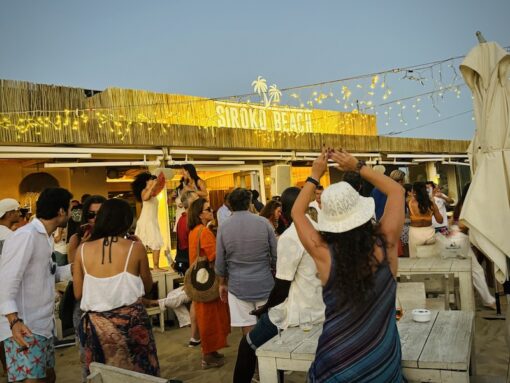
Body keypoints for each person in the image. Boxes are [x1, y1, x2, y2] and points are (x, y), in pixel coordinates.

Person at [292, 148, 405, 382]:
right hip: (381, 359)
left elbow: (297, 212)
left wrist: (315, 174)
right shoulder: (387, 242)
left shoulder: (323, 253)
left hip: (335, 363)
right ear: (363, 210)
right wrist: (357, 165)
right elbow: (396, 190)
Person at [233, 187, 325, 383]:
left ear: (283, 210)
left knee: (247, 344)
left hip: (299, 312)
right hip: (320, 306)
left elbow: (282, 286)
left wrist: (265, 309)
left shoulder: (291, 236)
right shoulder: (316, 227)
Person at [73, 198, 159, 376]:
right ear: (127, 221)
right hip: (131, 324)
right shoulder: (135, 247)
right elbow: (148, 285)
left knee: (104, 374)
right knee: (139, 373)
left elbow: (78, 293)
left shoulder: (82, 250)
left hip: (96, 327)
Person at [0, 188, 73, 383]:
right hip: (24, 327)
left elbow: (50, 273)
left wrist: (83, 265)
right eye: (69, 207)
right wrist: (14, 322)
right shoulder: (26, 236)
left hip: (42, 327)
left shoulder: (45, 237)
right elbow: (6, 282)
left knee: (48, 378)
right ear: (61, 211)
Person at [215, 188, 277, 336]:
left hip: (238, 285)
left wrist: (222, 283)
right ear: (249, 203)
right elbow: (276, 256)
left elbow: (220, 261)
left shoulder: (224, 227)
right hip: (265, 283)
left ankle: (251, 358)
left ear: (230, 204)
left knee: (248, 331)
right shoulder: (264, 223)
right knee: (268, 327)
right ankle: (264, 359)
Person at [66, 195, 106, 382]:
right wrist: (83, 244)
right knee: (88, 357)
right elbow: (73, 270)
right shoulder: (77, 237)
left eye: (100, 214)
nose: (95, 219)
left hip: (108, 302)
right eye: (91, 214)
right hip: (84, 304)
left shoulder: (114, 238)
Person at [187, 198, 230, 369]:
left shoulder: (194, 231)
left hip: (199, 283)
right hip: (209, 282)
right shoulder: (204, 232)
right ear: (200, 214)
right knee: (210, 319)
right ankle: (208, 355)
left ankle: (211, 352)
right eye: (208, 209)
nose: (212, 211)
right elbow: (215, 257)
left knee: (206, 318)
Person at [453, 183, 496, 309]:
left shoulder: (461, 204)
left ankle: (483, 299)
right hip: (460, 240)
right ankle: (488, 300)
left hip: (456, 239)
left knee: (471, 270)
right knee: (476, 270)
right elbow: (461, 224)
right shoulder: (467, 205)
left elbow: (453, 222)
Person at [0, 198, 21, 377]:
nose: (19, 214)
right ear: (9, 214)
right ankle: (12, 371)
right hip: (6, 293)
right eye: (17, 211)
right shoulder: (10, 237)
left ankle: (6, 371)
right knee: (8, 334)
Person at [132, 172, 165, 270]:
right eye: (152, 179)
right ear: (147, 181)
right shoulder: (145, 190)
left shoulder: (153, 192)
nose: (153, 181)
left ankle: (153, 266)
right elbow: (145, 198)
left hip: (152, 220)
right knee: (154, 242)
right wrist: (153, 185)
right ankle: (153, 266)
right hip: (146, 220)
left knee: (154, 243)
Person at [408, 182, 443, 258]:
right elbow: (440, 220)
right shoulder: (431, 204)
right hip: (429, 233)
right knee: (432, 258)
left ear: (414, 191)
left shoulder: (409, 202)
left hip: (415, 233)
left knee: (415, 259)